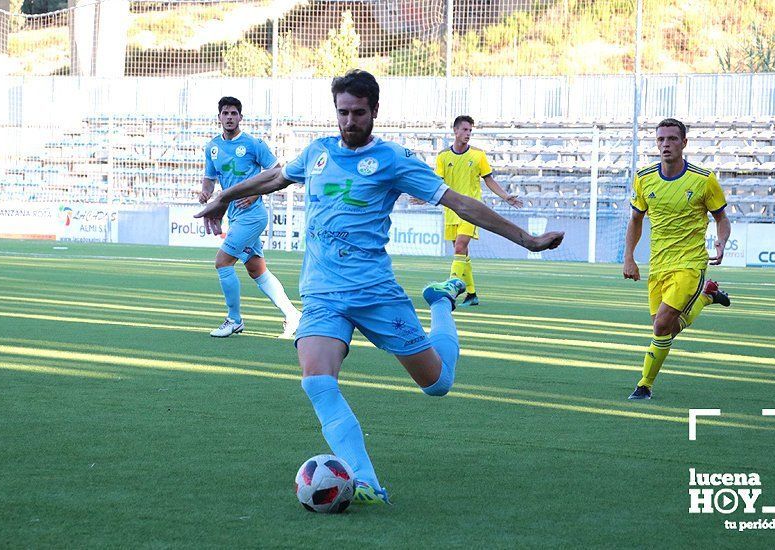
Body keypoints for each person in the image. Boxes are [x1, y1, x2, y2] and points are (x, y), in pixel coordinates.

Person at [196, 70, 564, 504]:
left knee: (437, 384)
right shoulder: (317, 152)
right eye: (342, 112)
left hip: (375, 294)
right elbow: (274, 178)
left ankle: (442, 302)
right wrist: (221, 197)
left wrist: (526, 239)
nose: (349, 121)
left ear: (374, 111)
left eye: (358, 113)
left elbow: (460, 202)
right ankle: (366, 481)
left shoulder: (393, 159)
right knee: (316, 381)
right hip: (322, 295)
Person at [623, 118, 731, 400]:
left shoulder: (703, 179)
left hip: (690, 263)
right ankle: (707, 298)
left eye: (672, 139)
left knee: (661, 326)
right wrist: (629, 258)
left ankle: (644, 385)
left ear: (684, 143)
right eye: (661, 139)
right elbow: (635, 219)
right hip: (658, 264)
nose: (665, 144)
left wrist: (721, 241)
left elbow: (722, 218)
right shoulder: (644, 177)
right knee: (665, 328)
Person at [200, 96, 301, 339]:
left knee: (222, 262)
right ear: (219, 117)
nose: (230, 117)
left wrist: (256, 194)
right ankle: (293, 315)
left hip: (253, 216)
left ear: (241, 118)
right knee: (257, 270)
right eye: (225, 113)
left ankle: (234, 320)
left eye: (234, 113)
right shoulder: (212, 147)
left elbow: (278, 171)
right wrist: (206, 192)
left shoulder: (254, 144)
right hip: (235, 216)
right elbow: (209, 177)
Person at [435, 115, 522, 306]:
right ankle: (472, 294)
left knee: (459, 247)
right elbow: (437, 183)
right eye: (465, 130)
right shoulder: (442, 156)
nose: (468, 134)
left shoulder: (478, 155)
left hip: (472, 210)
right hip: (451, 209)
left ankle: (450, 289)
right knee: (462, 252)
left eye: (470, 131)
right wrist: (423, 195)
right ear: (455, 131)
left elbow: (488, 179)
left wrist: (505, 196)